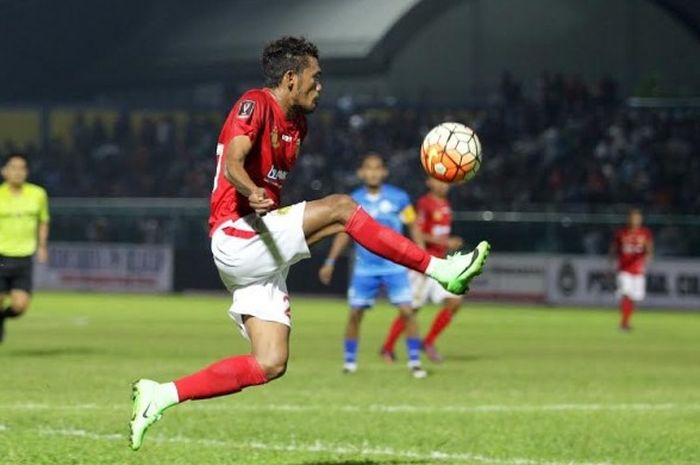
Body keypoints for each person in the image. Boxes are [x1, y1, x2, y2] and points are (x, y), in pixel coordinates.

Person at [129, 36, 490, 450]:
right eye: (315, 79)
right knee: (341, 208)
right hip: (236, 233)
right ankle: (441, 268)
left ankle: (161, 394)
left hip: (260, 247)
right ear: (290, 78)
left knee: (270, 363)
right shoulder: (254, 104)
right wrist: (253, 189)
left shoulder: (298, 123)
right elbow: (232, 162)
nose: (321, 86)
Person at [318, 153, 427, 378]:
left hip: (395, 266)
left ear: (384, 172)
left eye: (378, 168)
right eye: (369, 168)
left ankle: (415, 362)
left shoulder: (400, 198)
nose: (373, 172)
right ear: (361, 173)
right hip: (365, 268)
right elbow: (344, 234)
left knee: (407, 312)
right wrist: (330, 260)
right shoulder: (352, 201)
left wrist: (422, 257)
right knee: (355, 313)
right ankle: (349, 363)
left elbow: (413, 225)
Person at [381, 177, 464, 362]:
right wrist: (443, 243)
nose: (443, 185)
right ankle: (387, 347)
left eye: (446, 182)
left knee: (455, 301)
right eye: (439, 181)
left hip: (441, 263)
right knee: (410, 310)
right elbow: (418, 232)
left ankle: (428, 342)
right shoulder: (425, 204)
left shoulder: (446, 204)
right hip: (423, 265)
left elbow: (437, 234)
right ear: (429, 182)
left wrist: (447, 245)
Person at [0, 153, 50, 343]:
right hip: (1, 256)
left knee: (20, 306)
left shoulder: (38, 194)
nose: (18, 172)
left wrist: (42, 246)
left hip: (24, 257)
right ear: (4, 171)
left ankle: (2, 318)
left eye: (22, 168)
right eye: (13, 167)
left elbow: (44, 221)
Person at [610, 208, 653, 331]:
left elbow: (649, 248)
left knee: (634, 297)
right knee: (626, 294)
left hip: (638, 269)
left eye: (637, 218)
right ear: (628, 219)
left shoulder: (644, 233)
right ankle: (624, 324)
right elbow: (614, 248)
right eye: (633, 217)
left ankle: (626, 321)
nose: (635, 220)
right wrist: (611, 262)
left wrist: (648, 257)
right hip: (624, 269)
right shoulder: (621, 233)